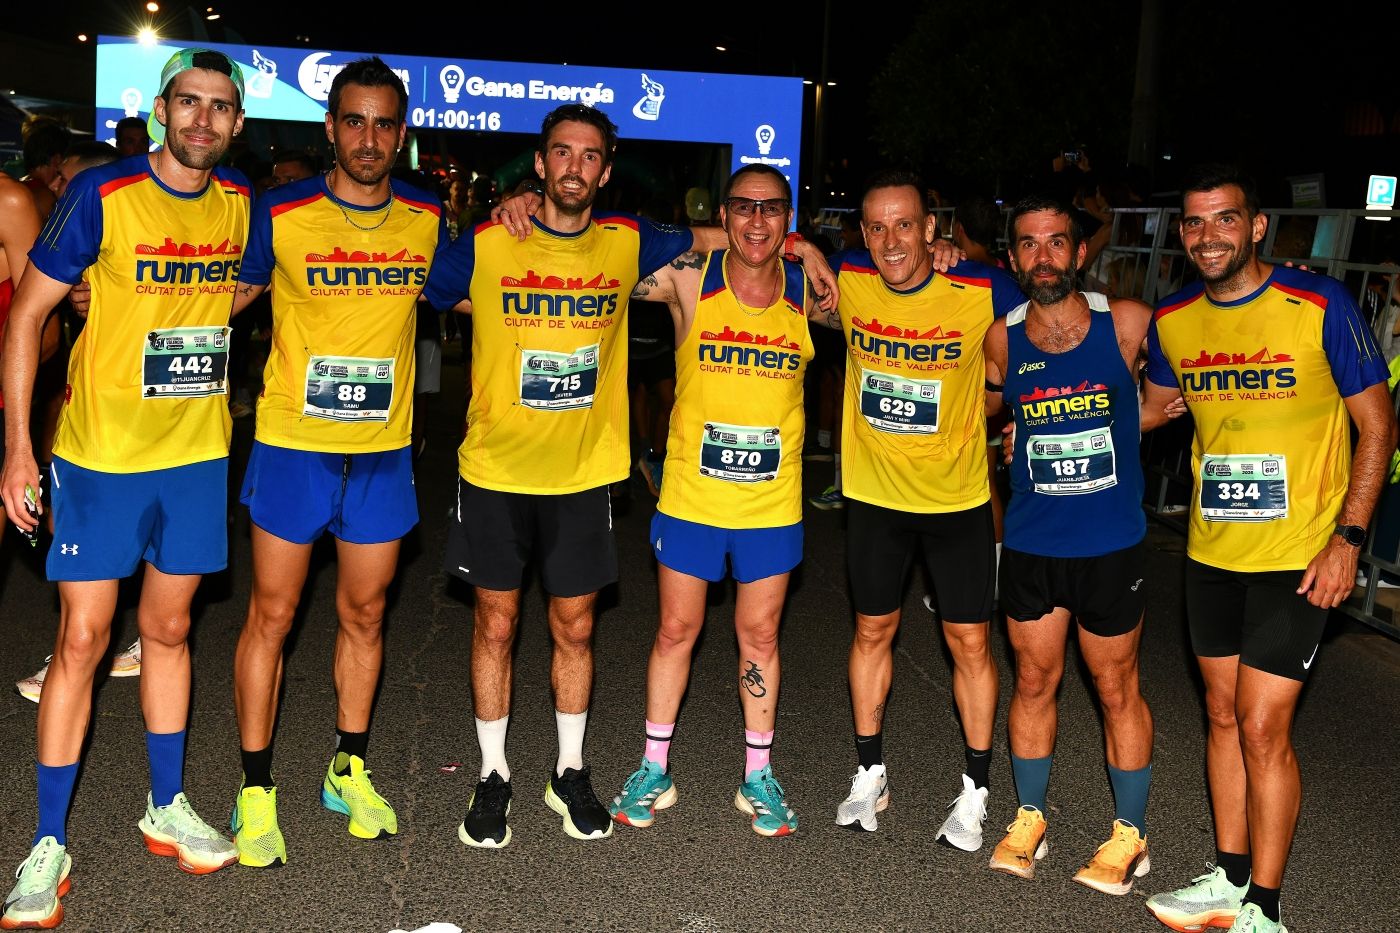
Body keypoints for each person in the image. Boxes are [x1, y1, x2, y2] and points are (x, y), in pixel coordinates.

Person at [423, 103, 836, 849]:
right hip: (496, 471)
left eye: (589, 156)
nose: (575, 167)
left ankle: (570, 769)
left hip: (588, 474)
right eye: (561, 153)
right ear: (541, 163)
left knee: (578, 627)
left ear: (605, 171)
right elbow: (426, 287)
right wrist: (497, 214)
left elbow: (730, 236)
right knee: (496, 622)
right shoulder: (493, 239)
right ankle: (493, 775)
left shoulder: (631, 243)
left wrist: (805, 248)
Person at [0, 46, 249, 929]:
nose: (203, 121)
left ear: (237, 122)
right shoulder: (102, 195)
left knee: (171, 628)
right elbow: (28, 315)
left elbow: (243, 284)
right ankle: (46, 841)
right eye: (190, 103)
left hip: (195, 457)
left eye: (220, 108)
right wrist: (18, 452)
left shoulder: (241, 205)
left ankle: (166, 804)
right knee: (83, 637)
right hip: (100, 459)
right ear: (161, 107)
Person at [1140, 165, 1396, 933]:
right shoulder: (1175, 319)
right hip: (1212, 550)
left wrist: (1348, 538)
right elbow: (1153, 407)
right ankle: (1229, 877)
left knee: (1261, 725)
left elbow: (1379, 426)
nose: (1207, 235)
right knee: (1220, 713)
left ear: (1255, 226)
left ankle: (1267, 909)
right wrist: (1052, 416)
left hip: (1301, 552)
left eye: (1224, 219)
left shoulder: (1319, 302)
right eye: (1193, 222)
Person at [226, 57, 445, 869]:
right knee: (272, 617)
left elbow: (477, 285)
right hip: (292, 446)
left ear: (402, 133)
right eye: (354, 121)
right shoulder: (279, 209)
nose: (369, 138)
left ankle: (347, 765)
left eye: (385, 124)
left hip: (382, 456)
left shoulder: (425, 215)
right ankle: (255, 787)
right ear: (330, 127)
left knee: (364, 614)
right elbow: (230, 293)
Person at [607, 165, 826, 836]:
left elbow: (902, 293)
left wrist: (810, 252)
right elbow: (620, 244)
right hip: (692, 501)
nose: (756, 222)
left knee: (758, 637)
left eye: (771, 210)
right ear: (724, 215)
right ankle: (653, 766)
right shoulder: (685, 281)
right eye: (743, 209)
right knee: (676, 631)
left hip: (769, 508)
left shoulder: (811, 295)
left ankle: (758, 774)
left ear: (788, 217)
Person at [829, 170, 1022, 851]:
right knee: (871, 631)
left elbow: (1056, 319)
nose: (891, 241)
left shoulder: (980, 286)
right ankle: (868, 771)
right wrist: (795, 240)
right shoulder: (847, 277)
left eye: (904, 224)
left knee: (970, 642)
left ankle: (976, 789)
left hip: (957, 501)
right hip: (875, 499)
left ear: (931, 228)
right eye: (876, 226)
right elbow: (763, 250)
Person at [982, 195, 1165, 895]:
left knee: (1117, 685)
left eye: (1057, 242)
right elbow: (996, 407)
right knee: (1033, 680)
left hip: (1110, 543)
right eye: (1028, 245)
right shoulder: (1004, 338)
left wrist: (1140, 422)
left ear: (1079, 252)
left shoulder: (1127, 324)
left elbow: (1174, 396)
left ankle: (1131, 833)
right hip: (1032, 541)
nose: (1044, 257)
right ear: (1013, 258)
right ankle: (1030, 816)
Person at [14, 140, 143, 706]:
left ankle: (95, 644)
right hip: (79, 397)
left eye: (67, 179)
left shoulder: (113, 217)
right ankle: (82, 643)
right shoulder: (70, 229)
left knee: (118, 541)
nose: (57, 189)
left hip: (135, 418)